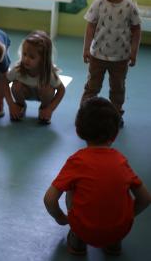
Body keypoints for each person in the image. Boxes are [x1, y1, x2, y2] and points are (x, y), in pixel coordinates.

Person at [44, 97, 150, 256]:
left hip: (84, 229)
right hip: (120, 230)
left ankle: (78, 241)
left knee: (71, 187)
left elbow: (49, 199)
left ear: (79, 131)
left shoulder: (76, 161)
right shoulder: (121, 162)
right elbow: (145, 199)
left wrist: (61, 218)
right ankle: (113, 244)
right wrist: (127, 217)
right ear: (114, 135)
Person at [80, 0, 141, 127]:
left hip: (120, 59)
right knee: (92, 87)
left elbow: (136, 29)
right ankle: (85, 113)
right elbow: (90, 26)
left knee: (118, 89)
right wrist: (86, 48)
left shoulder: (130, 6)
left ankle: (116, 114)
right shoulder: (98, 3)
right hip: (97, 55)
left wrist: (133, 52)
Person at [4, 31, 65, 124]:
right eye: (24, 54)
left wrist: (50, 109)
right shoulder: (18, 70)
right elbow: (4, 83)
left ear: (43, 59)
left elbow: (61, 90)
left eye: (32, 57)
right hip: (25, 92)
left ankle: (43, 109)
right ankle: (20, 106)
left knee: (47, 89)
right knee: (16, 85)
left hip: (42, 93)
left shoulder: (48, 74)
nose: (26, 59)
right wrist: (11, 105)